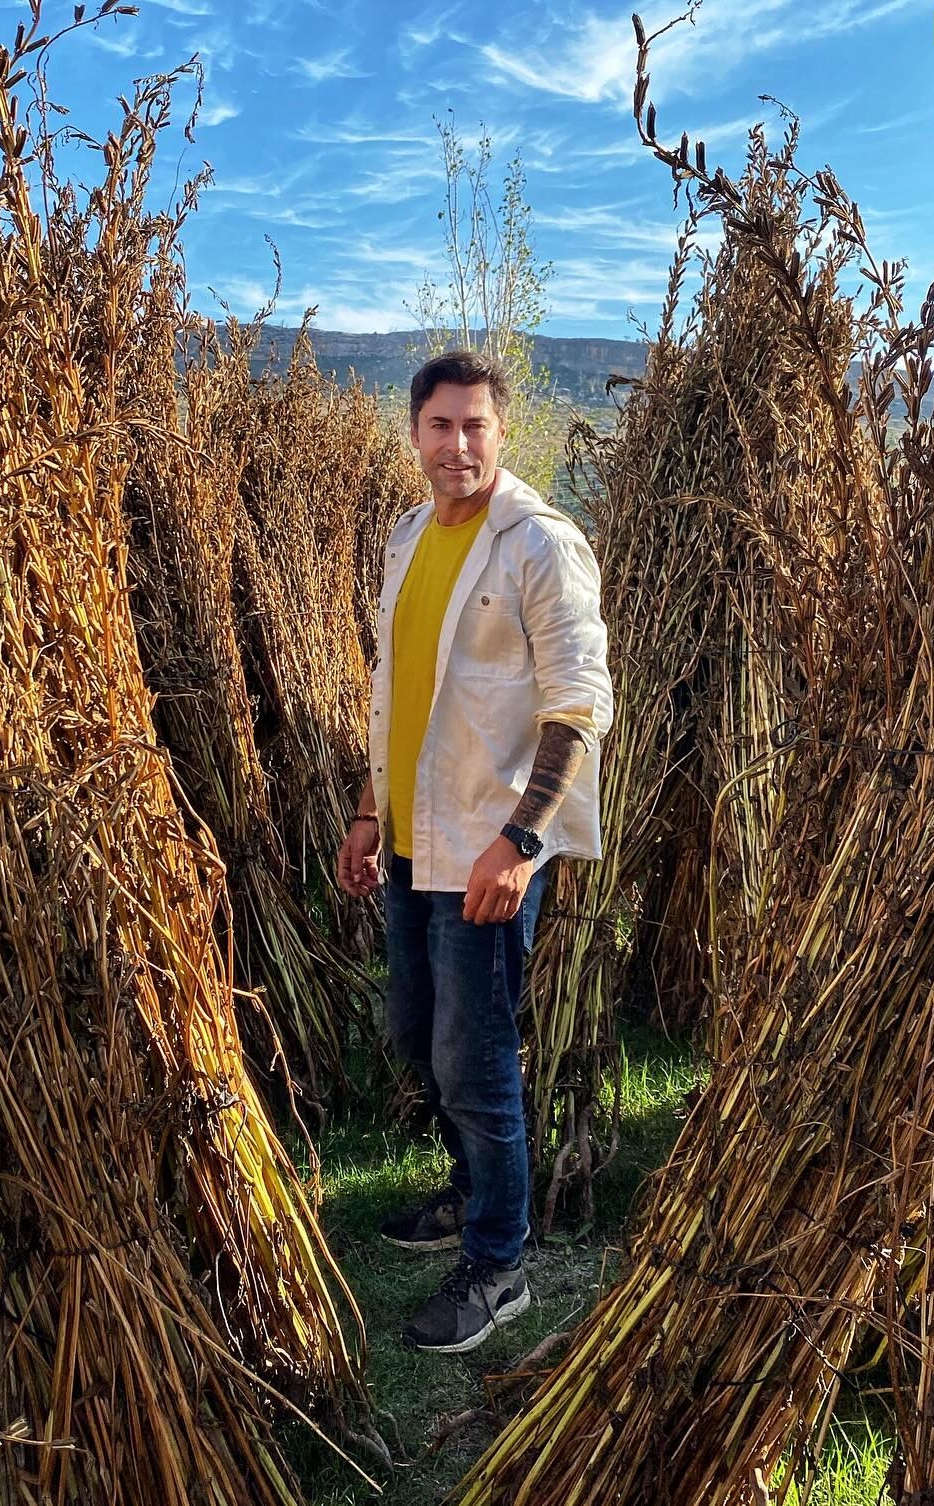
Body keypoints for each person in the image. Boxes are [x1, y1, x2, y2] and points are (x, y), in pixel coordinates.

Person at [335, 349, 613, 1353]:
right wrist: (370, 811)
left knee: (476, 1059)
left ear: (502, 429)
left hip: (488, 853)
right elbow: (394, 691)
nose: (457, 444)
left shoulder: (539, 542)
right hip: (415, 839)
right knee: (418, 1035)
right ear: (414, 432)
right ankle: (470, 1193)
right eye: (440, 425)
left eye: (475, 425)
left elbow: (579, 705)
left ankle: (500, 1264)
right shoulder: (411, 536)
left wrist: (522, 840)